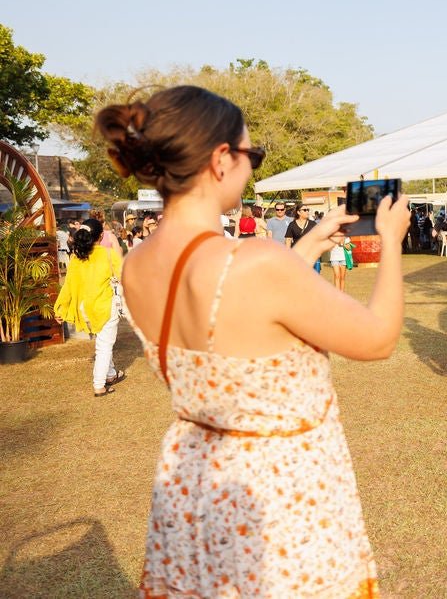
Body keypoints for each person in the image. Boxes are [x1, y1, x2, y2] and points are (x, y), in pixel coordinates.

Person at [95, 85, 409, 596]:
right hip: (277, 497)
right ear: (221, 159)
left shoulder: (137, 264)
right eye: (251, 154)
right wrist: (390, 243)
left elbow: (244, 318)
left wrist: (306, 246)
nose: (252, 167)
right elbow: (377, 339)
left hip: (193, 486)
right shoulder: (256, 263)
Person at [54, 218, 126, 397]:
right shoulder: (108, 254)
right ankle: (99, 385)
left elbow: (68, 286)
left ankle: (110, 375)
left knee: (103, 342)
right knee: (104, 346)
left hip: (85, 309)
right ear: (101, 236)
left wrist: (60, 308)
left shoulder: (76, 258)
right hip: (104, 307)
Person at [286, 205, 321, 272]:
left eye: (308, 210)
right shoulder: (292, 224)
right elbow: (288, 239)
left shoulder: (313, 224)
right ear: (298, 212)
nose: (307, 211)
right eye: (305, 210)